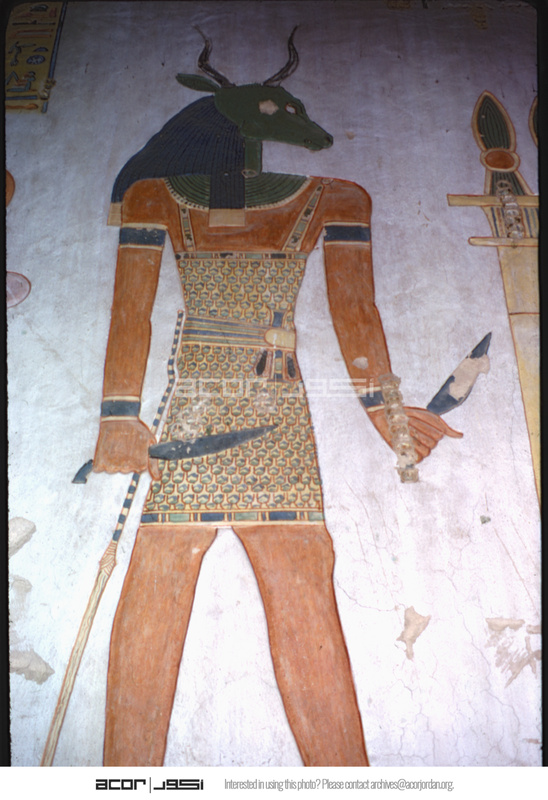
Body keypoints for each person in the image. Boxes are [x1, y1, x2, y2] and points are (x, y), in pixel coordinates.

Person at [93, 34, 459, 768]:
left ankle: (344, 780)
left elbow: (357, 313)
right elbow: (129, 315)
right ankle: (125, 778)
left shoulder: (336, 199)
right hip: (195, 408)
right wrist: (117, 419)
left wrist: (387, 412)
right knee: (158, 580)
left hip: (272, 407)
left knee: (301, 581)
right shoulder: (153, 198)